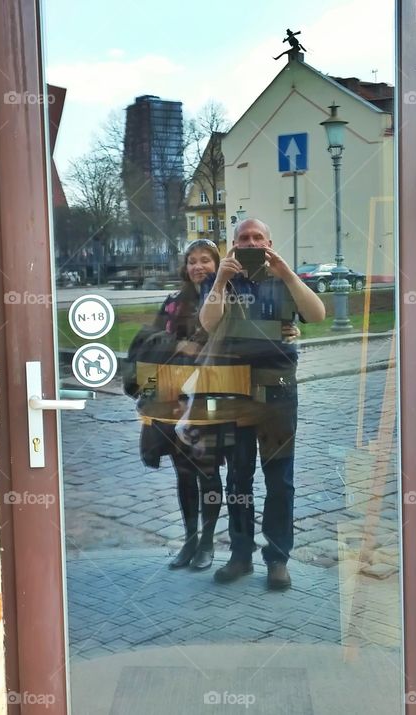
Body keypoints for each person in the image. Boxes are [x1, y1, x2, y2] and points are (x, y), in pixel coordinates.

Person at [199, 218, 325, 590]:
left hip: (277, 392)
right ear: (233, 244)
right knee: (238, 478)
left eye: (258, 238)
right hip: (233, 391)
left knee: (280, 481)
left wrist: (287, 274)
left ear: (270, 242)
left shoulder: (284, 279)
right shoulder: (221, 280)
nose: (251, 243)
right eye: (243, 238)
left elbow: (316, 314)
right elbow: (208, 323)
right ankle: (240, 557)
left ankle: (277, 560)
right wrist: (220, 280)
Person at [147, 239, 226, 570]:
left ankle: (207, 543)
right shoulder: (173, 302)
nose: (198, 266)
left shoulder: (229, 297)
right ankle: (189, 540)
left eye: (205, 260)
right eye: (192, 260)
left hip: (212, 396)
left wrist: (286, 329)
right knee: (183, 471)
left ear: (217, 264)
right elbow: (152, 342)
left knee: (206, 469)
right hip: (176, 395)